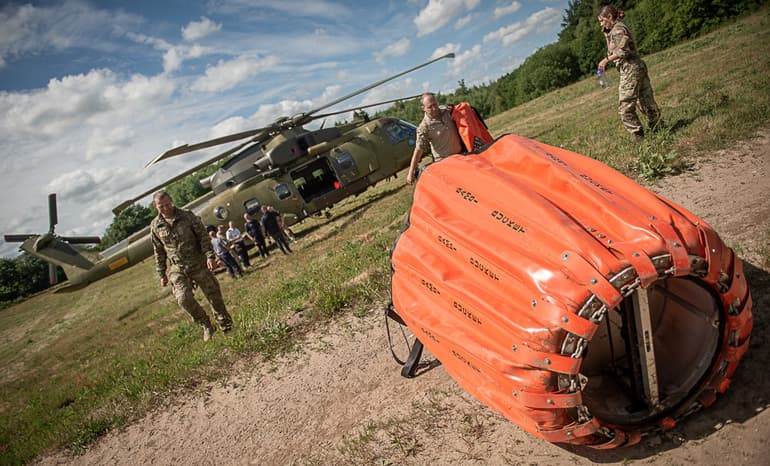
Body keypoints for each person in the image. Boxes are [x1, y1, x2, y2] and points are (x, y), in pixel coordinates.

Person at [150, 191, 233, 342]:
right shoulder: (156, 225)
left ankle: (225, 324)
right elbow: (158, 250)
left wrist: (210, 256)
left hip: (198, 263)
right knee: (183, 299)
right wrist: (162, 273)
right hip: (177, 269)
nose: (166, 208)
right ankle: (206, 325)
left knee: (214, 296)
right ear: (155, 206)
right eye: (161, 206)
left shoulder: (187, 216)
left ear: (172, 201)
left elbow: (203, 236)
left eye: (168, 205)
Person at [597, 5, 660, 144]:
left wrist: (606, 60)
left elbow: (623, 51)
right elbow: (613, 49)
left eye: (602, 21)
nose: (601, 24)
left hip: (630, 68)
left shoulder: (618, 30)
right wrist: (607, 36)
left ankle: (639, 136)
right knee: (646, 100)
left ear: (609, 17)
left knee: (625, 107)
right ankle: (658, 127)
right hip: (637, 67)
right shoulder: (615, 30)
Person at [406, 92, 464, 184]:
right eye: (430, 107)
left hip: (462, 157)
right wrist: (411, 172)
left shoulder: (448, 111)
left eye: (435, 104)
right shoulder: (424, 127)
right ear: (423, 108)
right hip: (445, 164)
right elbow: (418, 149)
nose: (434, 108)